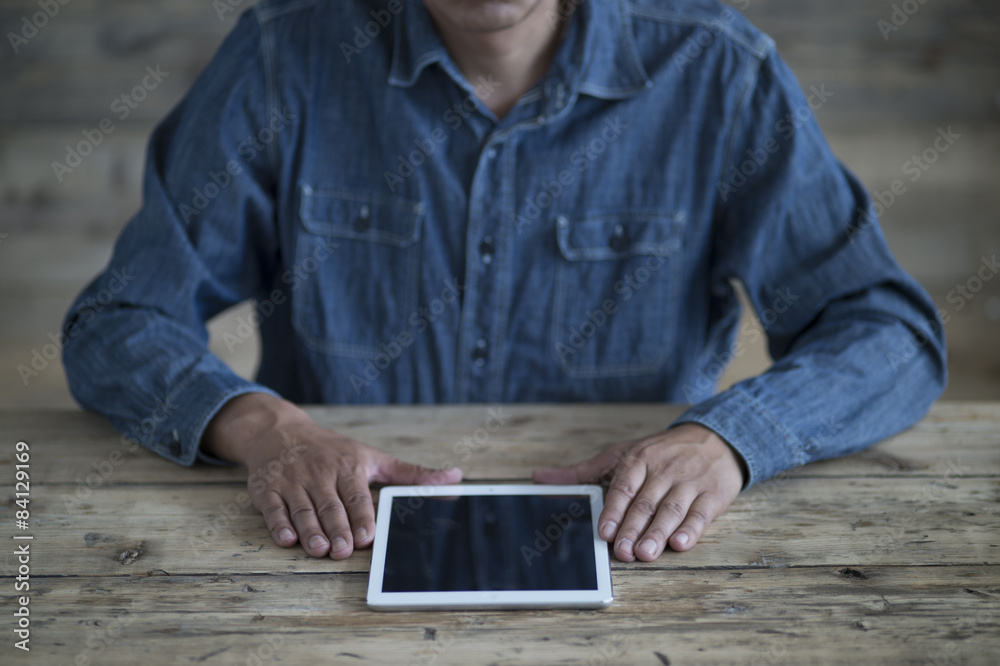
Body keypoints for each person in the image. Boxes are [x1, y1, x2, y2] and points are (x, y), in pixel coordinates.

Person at [62, 0, 946, 564]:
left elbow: (890, 334)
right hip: (323, 551)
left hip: (649, 558)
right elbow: (118, 320)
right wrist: (263, 429)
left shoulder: (718, 71)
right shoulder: (281, 59)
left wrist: (729, 440)